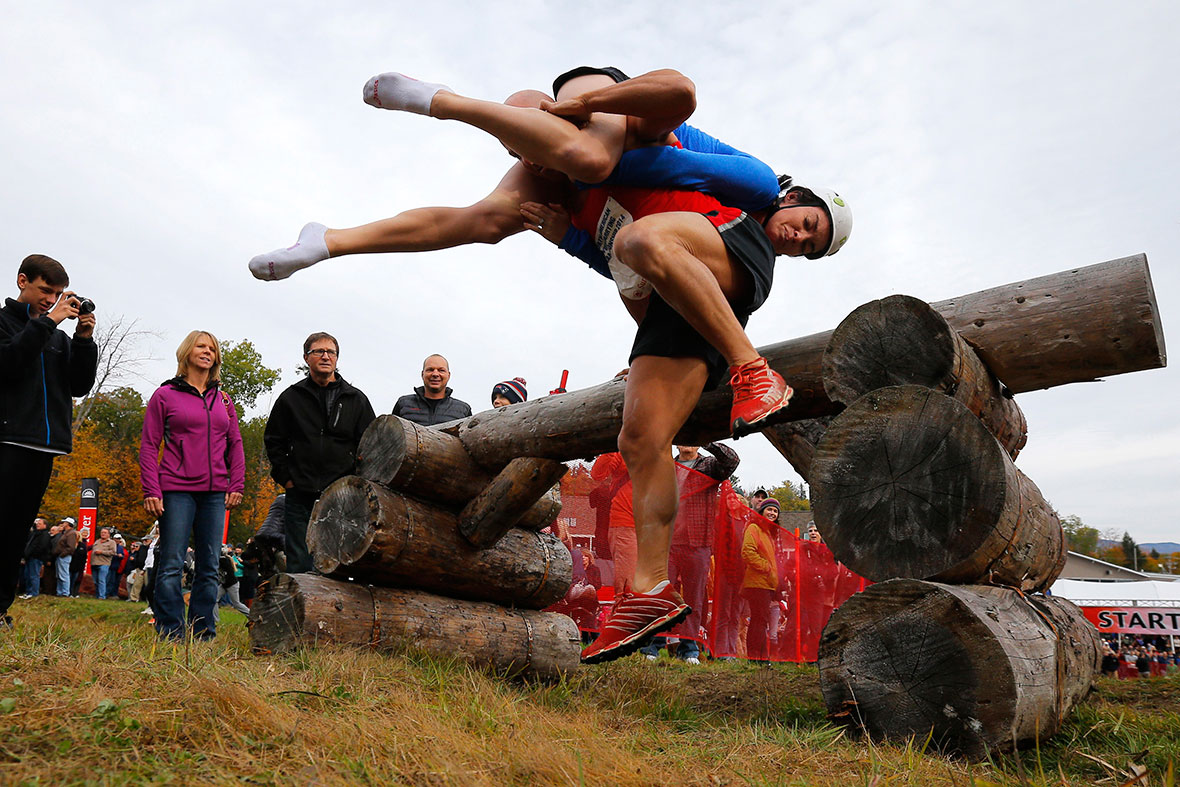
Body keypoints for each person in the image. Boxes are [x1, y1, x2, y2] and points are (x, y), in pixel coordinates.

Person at [0, 254, 97, 629]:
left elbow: (79, 386)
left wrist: (84, 340)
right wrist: (48, 321)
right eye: (45, 290)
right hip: (8, 438)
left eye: (57, 293)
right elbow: (9, 363)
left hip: (44, 445)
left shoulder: (57, 337)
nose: (51, 299)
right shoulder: (5, 323)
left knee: (15, 532)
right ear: (23, 281)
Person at [139, 330, 245, 641]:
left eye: (212, 348)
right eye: (201, 346)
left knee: (210, 565)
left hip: (214, 492)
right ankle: (171, 631)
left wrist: (235, 482)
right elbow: (149, 445)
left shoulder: (223, 399)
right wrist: (151, 489)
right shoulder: (165, 395)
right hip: (176, 488)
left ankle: (203, 633)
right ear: (187, 352)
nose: (207, 351)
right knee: (172, 562)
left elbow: (235, 443)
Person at [264, 332, 376, 574]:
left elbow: (369, 444)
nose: (325, 356)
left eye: (331, 352)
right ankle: (302, 610)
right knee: (299, 562)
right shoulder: (291, 398)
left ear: (337, 358)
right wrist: (286, 478)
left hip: (341, 495)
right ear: (306, 358)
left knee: (338, 561)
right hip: (300, 493)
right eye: (319, 351)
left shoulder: (356, 400)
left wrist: (357, 483)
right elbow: (274, 440)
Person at [742, 498, 781, 662]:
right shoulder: (754, 528)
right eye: (769, 509)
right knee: (759, 620)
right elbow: (747, 552)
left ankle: (759, 656)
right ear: (762, 511)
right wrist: (766, 568)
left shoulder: (769, 533)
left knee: (761, 620)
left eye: (775, 511)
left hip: (767, 584)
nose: (772, 513)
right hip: (756, 583)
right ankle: (758, 657)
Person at [392, 354, 472, 426]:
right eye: (430, 369)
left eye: (441, 370)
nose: (435, 374)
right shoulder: (404, 404)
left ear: (448, 375)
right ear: (422, 374)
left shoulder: (463, 410)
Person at [20, 517, 53, 600]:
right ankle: (28, 592)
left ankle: (34, 593)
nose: (37, 524)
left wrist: (32, 554)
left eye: (40, 523)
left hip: (36, 558)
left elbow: (42, 547)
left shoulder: (45, 535)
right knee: (27, 575)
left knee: (34, 575)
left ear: (45, 525)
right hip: (29, 557)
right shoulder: (35, 533)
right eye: (37, 523)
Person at [89, 528, 117, 599]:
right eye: (102, 532)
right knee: (95, 581)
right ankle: (97, 595)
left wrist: (101, 552)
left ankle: (102, 596)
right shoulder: (97, 541)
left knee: (102, 580)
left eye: (105, 533)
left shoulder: (112, 542)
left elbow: (113, 552)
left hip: (104, 564)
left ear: (108, 534)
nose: (103, 534)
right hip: (94, 563)